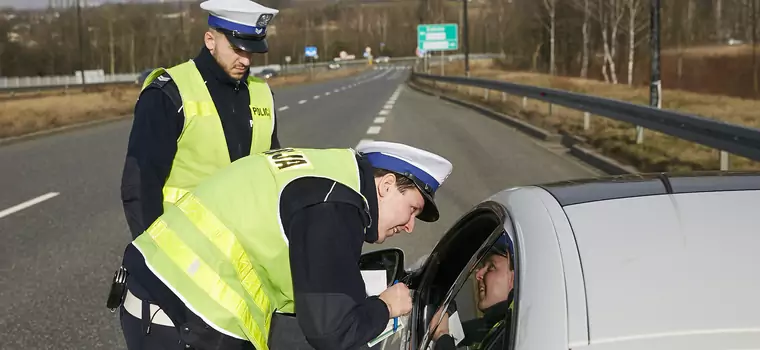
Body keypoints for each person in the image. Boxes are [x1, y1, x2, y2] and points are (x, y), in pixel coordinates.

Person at [110, 141, 453, 350]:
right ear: (387, 185)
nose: (409, 226)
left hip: (160, 290)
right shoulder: (337, 207)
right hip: (185, 313)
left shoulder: (331, 174)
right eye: (412, 210)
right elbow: (331, 332)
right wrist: (386, 308)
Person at [120, 0, 281, 241]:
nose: (246, 60)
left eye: (251, 51)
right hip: (184, 248)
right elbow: (141, 184)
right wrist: (151, 255)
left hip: (248, 247)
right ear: (210, 41)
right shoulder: (169, 92)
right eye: (237, 49)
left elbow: (273, 173)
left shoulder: (262, 93)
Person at [429, 232, 515, 350]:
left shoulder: (510, 335)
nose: (478, 274)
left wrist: (442, 336)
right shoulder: (490, 327)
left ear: (514, 280)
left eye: (491, 267)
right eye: (483, 265)